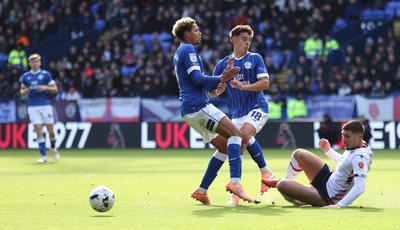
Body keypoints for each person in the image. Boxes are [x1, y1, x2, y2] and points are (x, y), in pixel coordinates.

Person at [171, 17, 255, 204]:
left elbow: (194, 83)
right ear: (186, 34)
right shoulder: (188, 49)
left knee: (226, 147)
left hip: (190, 109)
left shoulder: (180, 52)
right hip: (197, 106)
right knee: (236, 134)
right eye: (196, 30)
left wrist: (215, 89)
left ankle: (201, 190)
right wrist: (221, 77)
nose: (199, 33)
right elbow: (198, 79)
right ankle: (236, 183)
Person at [195, 24, 275, 206]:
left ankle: (266, 173)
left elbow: (265, 83)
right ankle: (227, 193)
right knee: (229, 151)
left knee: (243, 135)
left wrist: (243, 86)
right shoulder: (223, 64)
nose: (247, 43)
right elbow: (212, 91)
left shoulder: (255, 58)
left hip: (257, 108)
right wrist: (219, 89)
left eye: (250, 40)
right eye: (244, 39)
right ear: (234, 39)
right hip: (237, 114)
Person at [262, 120, 373, 208]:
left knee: (282, 186)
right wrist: (328, 151)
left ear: (359, 137)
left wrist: (340, 205)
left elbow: (360, 187)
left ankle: (299, 198)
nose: (343, 139)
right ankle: (290, 182)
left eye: (347, 136)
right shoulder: (358, 144)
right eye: (343, 135)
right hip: (329, 177)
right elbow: (345, 163)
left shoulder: (360, 157)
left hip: (328, 196)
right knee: (299, 154)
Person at [20, 54, 60, 163]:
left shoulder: (46, 75)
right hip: (33, 106)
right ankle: (44, 156)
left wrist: (45, 87)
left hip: (45, 105)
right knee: (37, 128)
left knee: (50, 130)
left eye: (37, 61)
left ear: (40, 62)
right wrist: (25, 91)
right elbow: (22, 90)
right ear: (29, 64)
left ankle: (53, 147)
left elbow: (55, 89)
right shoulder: (26, 76)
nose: (35, 63)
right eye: (32, 62)